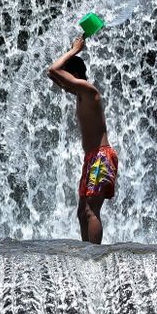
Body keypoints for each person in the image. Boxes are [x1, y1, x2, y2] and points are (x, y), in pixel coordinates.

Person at [47, 36, 119, 244]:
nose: (64, 85)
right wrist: (70, 51)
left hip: (102, 156)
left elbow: (54, 70)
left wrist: (75, 51)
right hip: (92, 158)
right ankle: (87, 250)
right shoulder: (79, 93)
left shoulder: (89, 91)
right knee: (81, 211)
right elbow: (53, 74)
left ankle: (94, 255)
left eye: (67, 78)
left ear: (75, 76)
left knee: (90, 209)